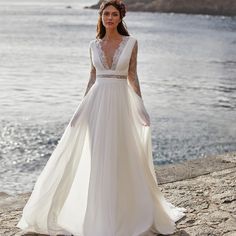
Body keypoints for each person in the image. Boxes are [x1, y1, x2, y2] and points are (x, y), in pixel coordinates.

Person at [16, 0, 187, 235]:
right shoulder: (93, 45)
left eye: (114, 14)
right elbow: (92, 77)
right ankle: (96, 212)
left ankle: (123, 213)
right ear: (101, 16)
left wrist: (140, 105)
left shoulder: (131, 43)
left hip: (120, 104)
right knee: (96, 157)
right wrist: (81, 108)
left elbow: (133, 76)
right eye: (106, 13)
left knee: (122, 155)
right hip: (96, 104)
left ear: (120, 18)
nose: (110, 18)